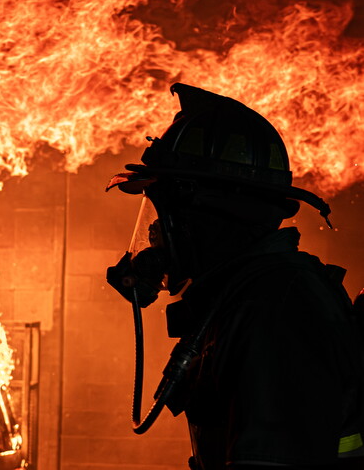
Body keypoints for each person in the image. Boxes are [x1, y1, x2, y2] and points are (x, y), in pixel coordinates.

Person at [106, 83, 364, 469]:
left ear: (200, 215)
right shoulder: (243, 297)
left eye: (164, 214)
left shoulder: (275, 309)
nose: (157, 234)